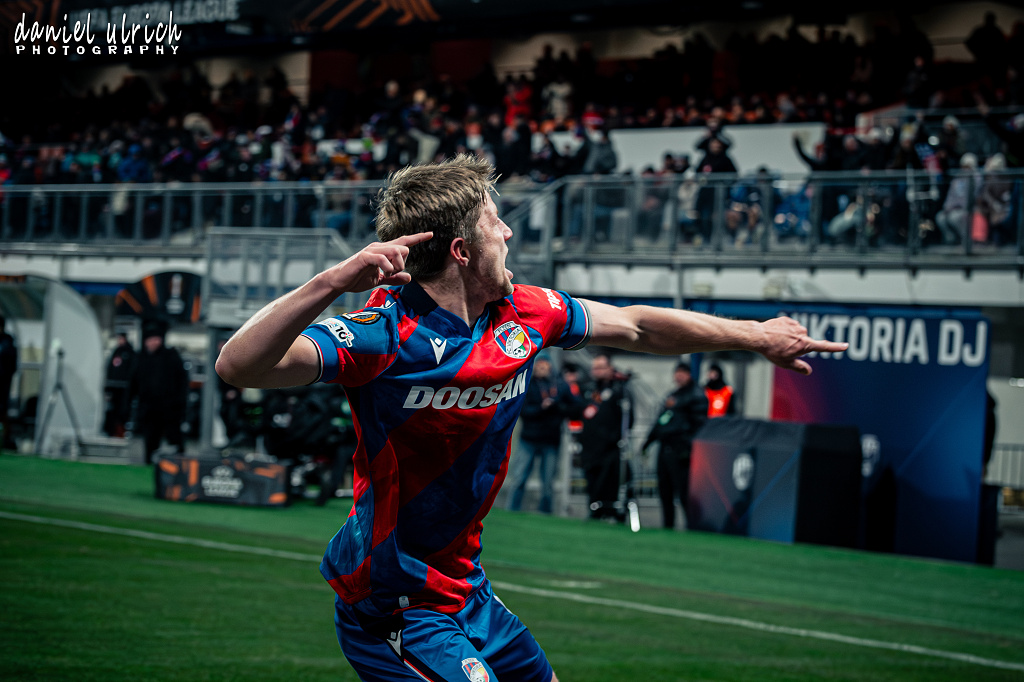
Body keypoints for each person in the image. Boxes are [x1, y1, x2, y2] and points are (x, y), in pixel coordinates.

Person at [215, 153, 846, 682]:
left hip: (468, 591)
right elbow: (238, 366)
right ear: (462, 251)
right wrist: (328, 283)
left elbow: (637, 326)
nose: (509, 233)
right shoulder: (381, 333)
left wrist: (756, 335)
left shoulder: (525, 312)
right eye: (496, 223)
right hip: (393, 601)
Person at [506, 352, 576, 514]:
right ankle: (511, 510)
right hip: (528, 438)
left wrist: (557, 408)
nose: (542, 366)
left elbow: (575, 407)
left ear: (550, 365)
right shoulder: (526, 384)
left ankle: (546, 513)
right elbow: (522, 411)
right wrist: (541, 408)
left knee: (548, 482)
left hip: (551, 439)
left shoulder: (560, 385)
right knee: (519, 478)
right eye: (539, 363)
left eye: (545, 363)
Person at [643, 361, 707, 529]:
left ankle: (691, 526)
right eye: (677, 372)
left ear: (689, 375)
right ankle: (668, 525)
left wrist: (687, 447)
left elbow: (699, 425)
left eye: (682, 372)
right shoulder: (673, 395)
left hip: (680, 450)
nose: (678, 376)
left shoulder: (696, 395)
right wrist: (648, 442)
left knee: (683, 491)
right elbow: (661, 421)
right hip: (665, 447)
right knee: (665, 489)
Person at [576, 352, 632, 522]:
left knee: (607, 483)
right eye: (595, 368)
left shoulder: (620, 391)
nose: (597, 371)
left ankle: (610, 513)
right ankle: (594, 512)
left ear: (610, 368)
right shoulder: (588, 389)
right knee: (591, 482)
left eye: (601, 367)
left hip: (609, 449)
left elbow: (628, 419)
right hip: (589, 447)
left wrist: (613, 438)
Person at [132, 319, 188, 464]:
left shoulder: (171, 356)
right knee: (150, 438)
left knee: (174, 437)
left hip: (170, 407)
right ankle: (149, 463)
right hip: (149, 408)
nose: (153, 343)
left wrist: (180, 403)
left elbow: (182, 381)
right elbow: (133, 383)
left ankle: (180, 464)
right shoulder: (141, 358)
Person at [103, 332, 136, 437]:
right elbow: (111, 367)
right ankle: (111, 430)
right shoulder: (116, 351)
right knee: (112, 410)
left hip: (124, 388)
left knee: (122, 410)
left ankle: (120, 430)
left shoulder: (130, 353)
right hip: (114, 387)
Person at [0, 315, 18, 449]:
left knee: (2, 412)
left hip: (2, 385)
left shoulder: (7, 343)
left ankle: (6, 440)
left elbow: (11, 367)